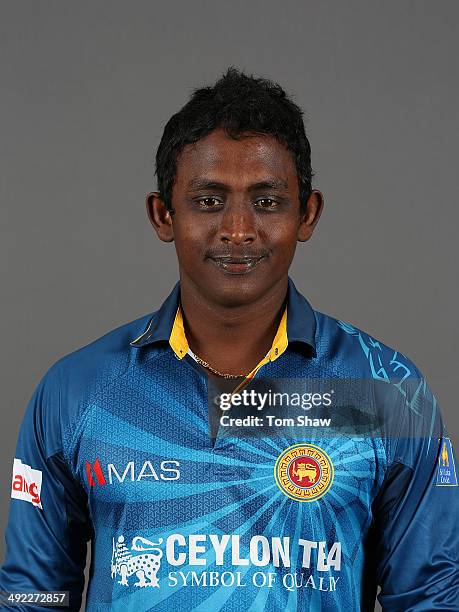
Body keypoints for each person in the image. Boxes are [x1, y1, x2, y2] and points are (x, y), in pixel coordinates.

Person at [0, 67, 458, 612]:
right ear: (162, 214)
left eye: (266, 201)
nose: (238, 229)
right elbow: (31, 596)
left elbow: (433, 597)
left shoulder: (387, 394)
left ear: (307, 214)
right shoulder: (77, 391)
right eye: (209, 200)